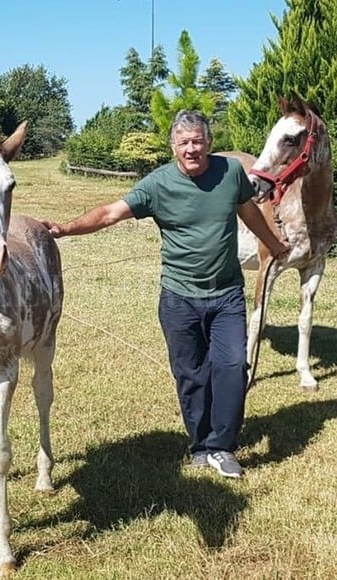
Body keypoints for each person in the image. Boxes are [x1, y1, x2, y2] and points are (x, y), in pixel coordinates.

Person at [41, 110, 290, 478]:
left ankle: (222, 446)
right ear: (173, 146)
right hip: (179, 298)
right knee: (191, 374)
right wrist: (64, 228)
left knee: (232, 367)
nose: (192, 149)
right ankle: (200, 444)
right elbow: (111, 213)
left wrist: (273, 243)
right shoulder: (157, 185)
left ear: (209, 143)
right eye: (184, 142)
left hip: (226, 295)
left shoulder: (230, 173)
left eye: (198, 141)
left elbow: (247, 210)